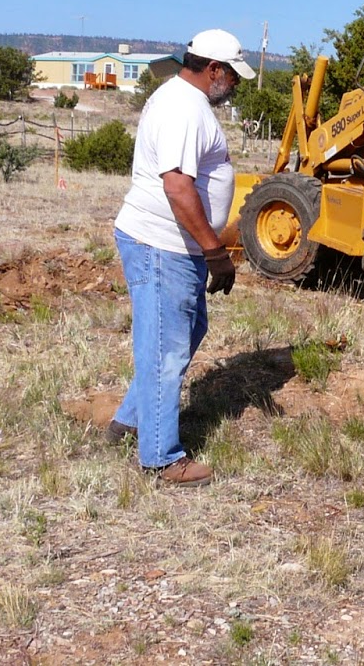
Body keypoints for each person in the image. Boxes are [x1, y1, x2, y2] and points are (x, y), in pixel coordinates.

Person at [104, 28, 255, 487]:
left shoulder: (184, 100)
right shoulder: (184, 109)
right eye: (233, 75)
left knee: (186, 331)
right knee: (165, 350)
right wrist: (214, 249)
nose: (236, 84)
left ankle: (131, 421)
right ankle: (162, 458)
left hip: (174, 245)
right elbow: (176, 187)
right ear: (214, 69)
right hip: (161, 246)